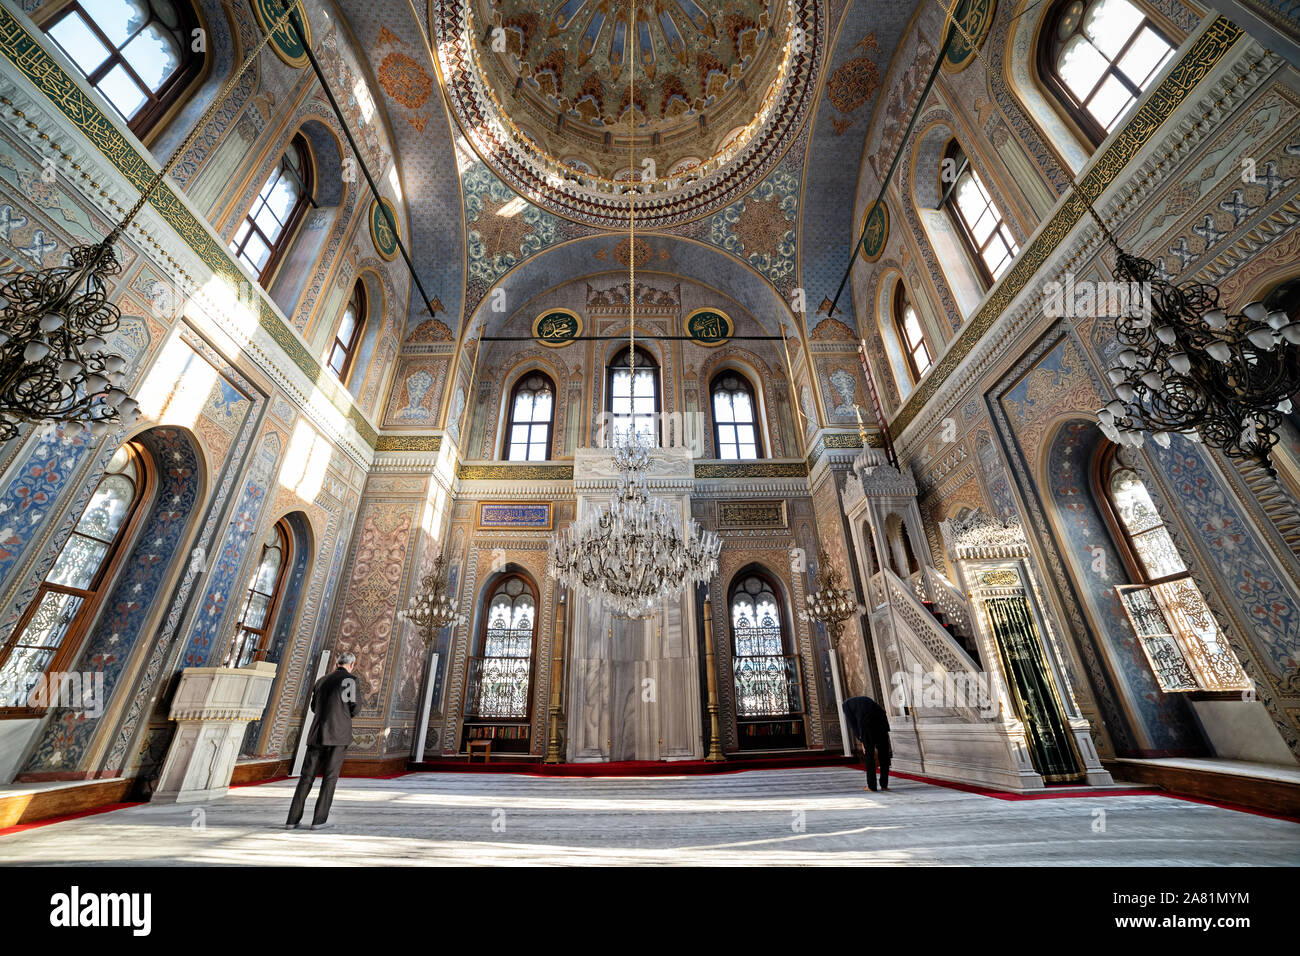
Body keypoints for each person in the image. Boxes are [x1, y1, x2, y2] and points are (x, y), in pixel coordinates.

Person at [285, 651, 359, 830]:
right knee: (330, 778)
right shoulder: (349, 681)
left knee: (306, 777)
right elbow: (354, 708)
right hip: (338, 735)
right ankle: (319, 821)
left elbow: (313, 707)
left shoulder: (321, 681)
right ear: (351, 665)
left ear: (336, 663)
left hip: (316, 735)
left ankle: (292, 820)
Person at [842, 695, 891, 792]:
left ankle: (871, 786)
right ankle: (884, 785)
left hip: (867, 727)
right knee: (884, 756)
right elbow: (881, 711)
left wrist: (861, 740)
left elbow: (853, 724)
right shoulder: (866, 700)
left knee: (869, 757)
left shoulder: (845, 705)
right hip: (881, 724)